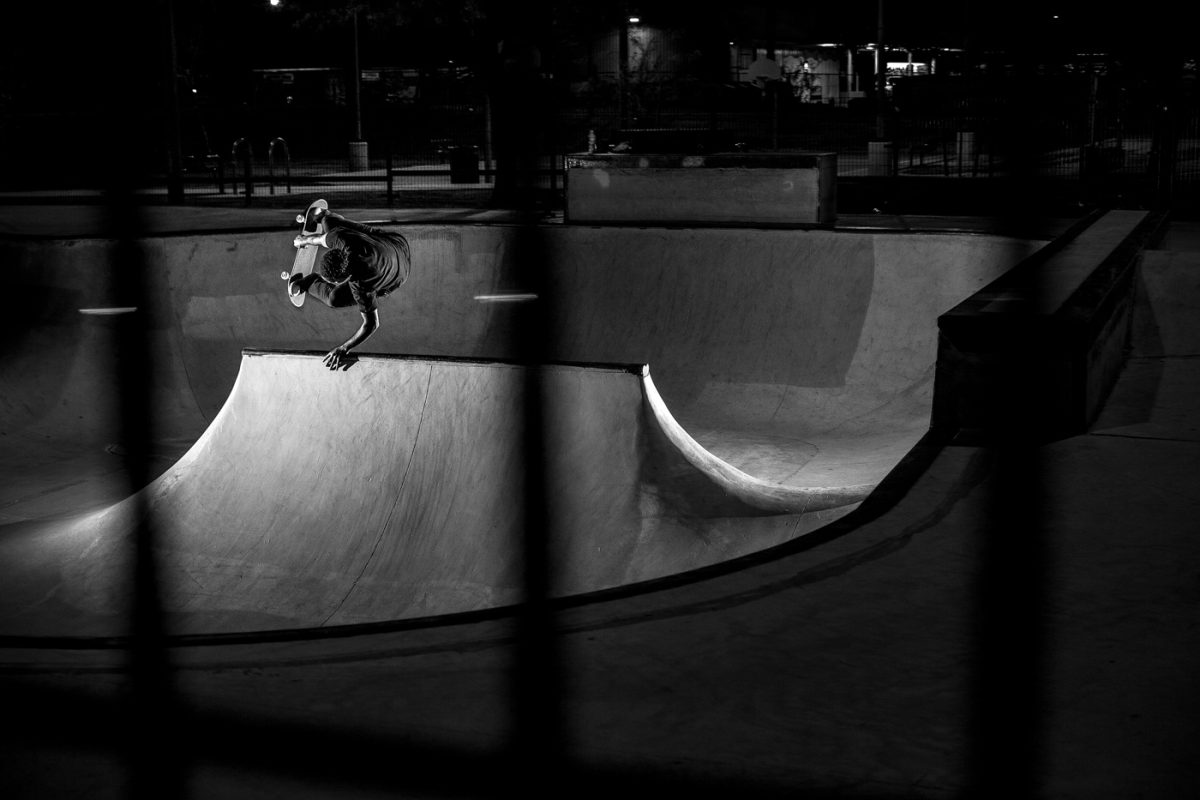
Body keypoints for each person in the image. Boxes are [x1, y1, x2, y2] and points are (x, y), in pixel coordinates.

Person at [287, 207, 412, 369]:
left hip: (397, 276)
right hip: (393, 243)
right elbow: (319, 240)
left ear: (341, 281)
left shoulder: (361, 287)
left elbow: (371, 324)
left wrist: (344, 347)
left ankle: (308, 283)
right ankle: (325, 215)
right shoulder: (341, 238)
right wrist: (303, 241)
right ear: (337, 252)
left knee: (333, 299)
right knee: (333, 225)